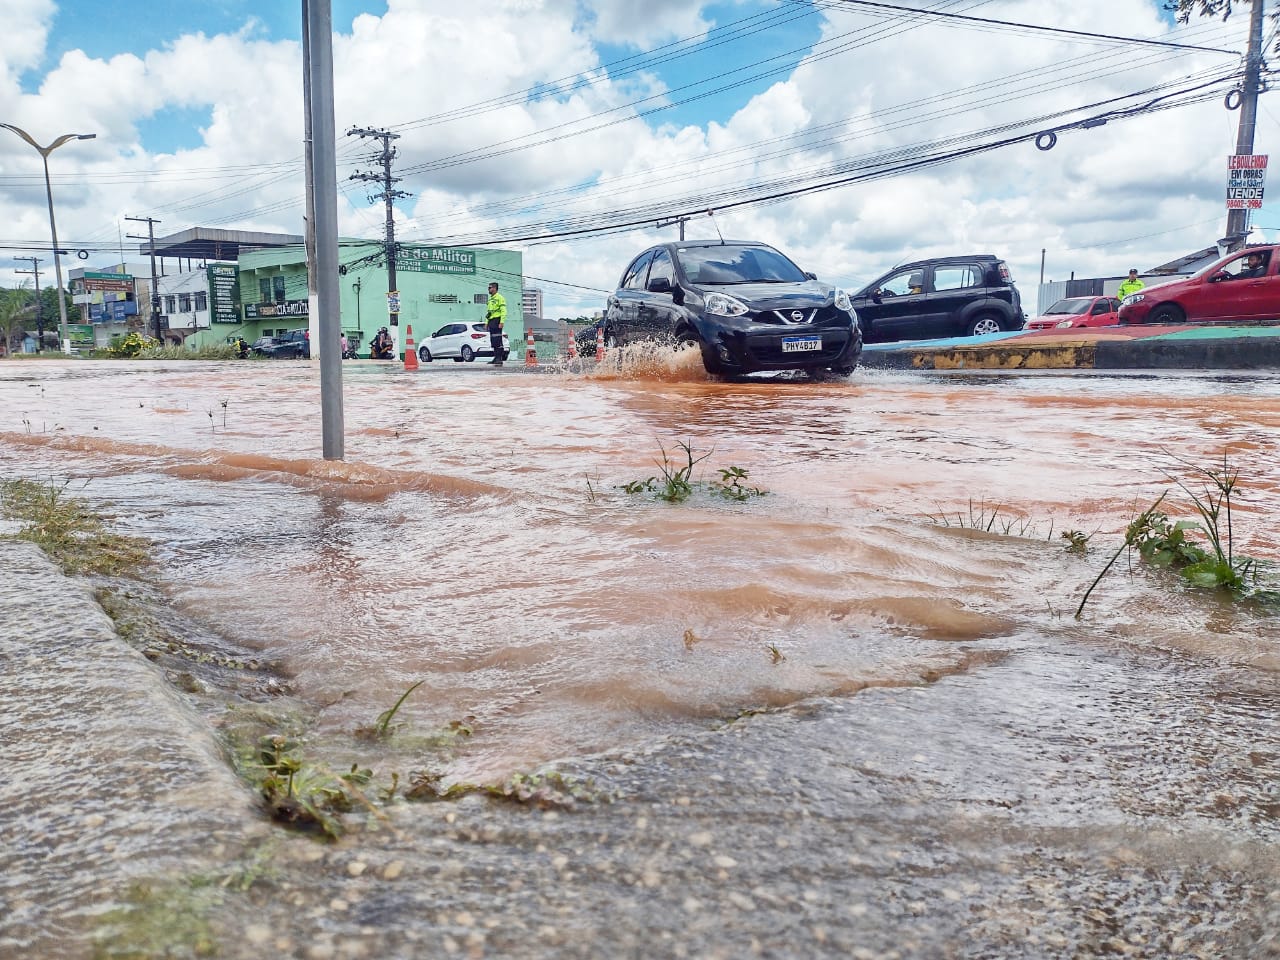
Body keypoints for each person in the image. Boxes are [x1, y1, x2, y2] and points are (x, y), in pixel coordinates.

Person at [484, 281, 508, 366]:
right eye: (488, 288)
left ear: (494, 288)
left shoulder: (500, 298)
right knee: (493, 340)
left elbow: (503, 311)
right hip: (491, 321)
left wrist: (502, 321)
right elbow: (489, 312)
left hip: (497, 320)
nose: (488, 289)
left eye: (490, 288)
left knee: (498, 339)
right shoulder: (490, 299)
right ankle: (495, 357)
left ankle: (499, 358)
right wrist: (486, 323)